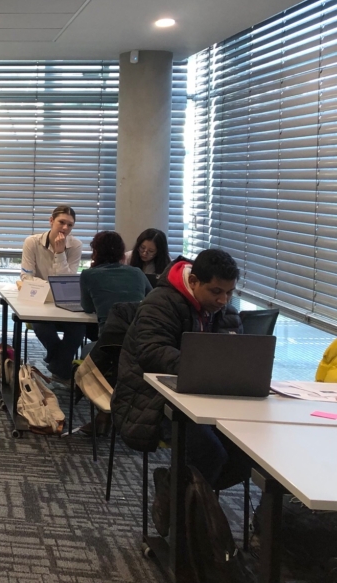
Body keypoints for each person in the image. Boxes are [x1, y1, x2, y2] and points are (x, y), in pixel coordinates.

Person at [111, 249, 247, 536]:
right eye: (216, 291)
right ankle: (187, 521)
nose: (223, 300)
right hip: (151, 396)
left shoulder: (221, 307)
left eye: (229, 292)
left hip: (206, 394)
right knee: (210, 452)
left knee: (246, 455)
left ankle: (178, 493)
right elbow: (151, 352)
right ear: (194, 281)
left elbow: (235, 350)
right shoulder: (161, 302)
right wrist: (202, 368)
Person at [77, 231, 151, 435]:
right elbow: (152, 302)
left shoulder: (89, 275)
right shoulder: (137, 272)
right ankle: (115, 413)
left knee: (88, 351)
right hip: (141, 343)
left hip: (108, 344)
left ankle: (104, 412)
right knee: (121, 359)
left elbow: (87, 307)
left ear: (95, 252)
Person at [19, 205, 84, 383]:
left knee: (78, 327)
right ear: (51, 221)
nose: (65, 228)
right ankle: (61, 364)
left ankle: (56, 363)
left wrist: (60, 253)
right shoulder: (32, 242)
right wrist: (50, 286)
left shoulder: (76, 245)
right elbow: (26, 277)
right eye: (61, 222)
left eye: (70, 225)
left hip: (64, 302)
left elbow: (67, 281)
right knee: (41, 325)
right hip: (39, 301)